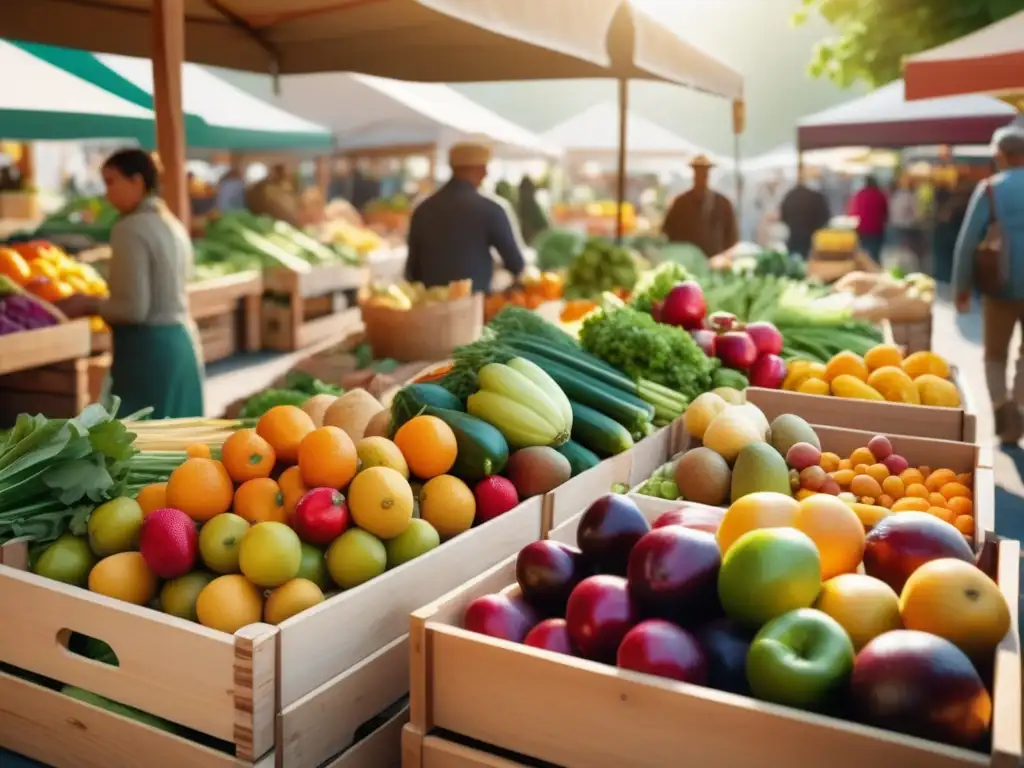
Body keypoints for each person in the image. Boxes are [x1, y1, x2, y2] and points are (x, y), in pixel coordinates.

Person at [55, 149, 204, 418]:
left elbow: (131, 310)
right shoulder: (171, 223)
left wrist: (87, 303)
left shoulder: (130, 228)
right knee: (181, 448)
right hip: (182, 345)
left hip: (149, 354)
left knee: (144, 447)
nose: (106, 193)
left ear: (137, 181)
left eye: (111, 182)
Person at [953, 127, 1024, 443]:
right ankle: (1019, 408)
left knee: (995, 354)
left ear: (1001, 155)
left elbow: (967, 243)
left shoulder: (991, 189)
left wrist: (961, 288)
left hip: (1001, 285)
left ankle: (1005, 413)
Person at [404, 142, 525, 295]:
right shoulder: (491, 209)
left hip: (429, 306)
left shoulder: (422, 209)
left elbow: (412, 273)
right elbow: (516, 264)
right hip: (473, 307)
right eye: (484, 168)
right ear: (481, 169)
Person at [661, 155, 738, 257]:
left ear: (708, 174)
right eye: (698, 172)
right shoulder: (681, 202)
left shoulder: (722, 203)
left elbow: (731, 235)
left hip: (714, 259)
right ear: (693, 174)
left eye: (704, 172)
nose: (701, 176)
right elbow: (668, 230)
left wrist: (723, 256)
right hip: (687, 258)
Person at [779, 174, 831, 258]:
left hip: (793, 239)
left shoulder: (790, 195)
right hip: (813, 240)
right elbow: (825, 218)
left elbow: (783, 216)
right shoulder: (817, 197)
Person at [848, 175, 889, 263]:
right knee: (875, 253)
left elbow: (853, 212)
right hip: (877, 228)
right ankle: (876, 271)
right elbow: (885, 212)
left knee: (863, 254)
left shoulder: (860, 194)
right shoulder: (881, 195)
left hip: (863, 229)